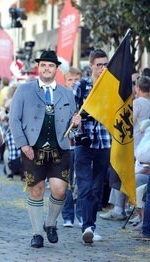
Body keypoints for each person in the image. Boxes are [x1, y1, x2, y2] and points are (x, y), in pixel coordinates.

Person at [9, 50, 80, 248]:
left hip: (60, 149)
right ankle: (37, 233)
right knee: (36, 190)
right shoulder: (24, 90)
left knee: (59, 191)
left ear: (56, 69)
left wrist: (76, 123)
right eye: (43, 65)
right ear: (38, 68)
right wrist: (23, 144)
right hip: (33, 148)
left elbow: (73, 125)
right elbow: (14, 120)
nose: (47, 68)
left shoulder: (67, 92)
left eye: (51, 66)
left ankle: (50, 224)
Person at [72, 49, 113, 243]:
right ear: (91, 66)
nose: (102, 68)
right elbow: (71, 113)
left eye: (105, 64)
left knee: (97, 188)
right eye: (99, 65)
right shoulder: (81, 86)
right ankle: (87, 226)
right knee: (85, 185)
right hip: (84, 142)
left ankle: (90, 224)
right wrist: (77, 120)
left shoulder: (112, 87)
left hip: (104, 142)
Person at [61, 67, 82, 228]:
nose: (73, 83)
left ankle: (81, 214)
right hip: (65, 146)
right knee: (66, 181)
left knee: (81, 181)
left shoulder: (83, 100)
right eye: (70, 80)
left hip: (80, 145)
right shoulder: (61, 98)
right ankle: (68, 216)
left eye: (76, 80)